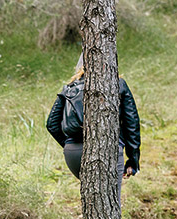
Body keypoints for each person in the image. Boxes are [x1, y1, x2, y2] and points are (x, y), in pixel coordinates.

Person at [46, 56, 140, 201]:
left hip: (73, 154)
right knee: (109, 205)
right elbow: (131, 124)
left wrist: (69, 145)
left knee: (93, 203)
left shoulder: (69, 88)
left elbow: (51, 124)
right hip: (108, 150)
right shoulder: (117, 84)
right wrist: (133, 160)